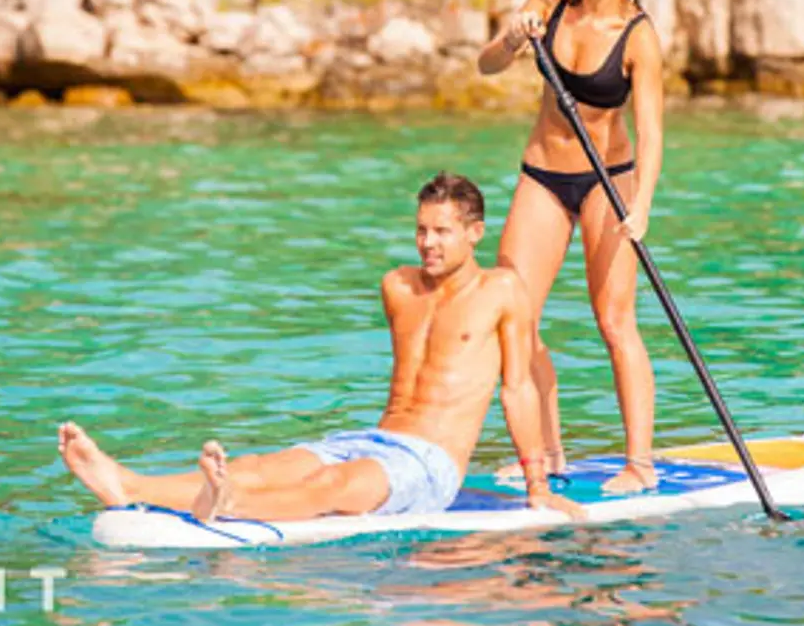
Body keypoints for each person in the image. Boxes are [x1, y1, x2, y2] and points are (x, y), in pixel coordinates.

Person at [57, 172, 587, 523]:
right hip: (374, 437)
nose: (428, 242)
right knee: (264, 464)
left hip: (430, 465)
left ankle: (233, 503)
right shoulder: (397, 286)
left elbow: (517, 389)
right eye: (422, 230)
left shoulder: (500, 291)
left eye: (443, 232)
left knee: (332, 484)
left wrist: (536, 483)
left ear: (475, 233)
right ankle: (128, 483)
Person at [476, 0, 665, 494]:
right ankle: (549, 453)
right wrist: (513, 38)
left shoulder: (638, 36)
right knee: (516, 318)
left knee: (614, 322)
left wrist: (644, 204)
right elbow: (487, 65)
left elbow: (653, 130)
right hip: (543, 176)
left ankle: (639, 465)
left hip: (610, 183)